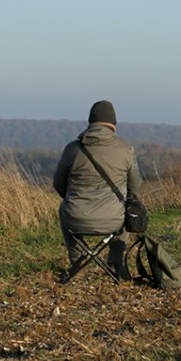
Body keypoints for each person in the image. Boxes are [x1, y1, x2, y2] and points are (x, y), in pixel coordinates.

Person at [53, 100, 142, 278]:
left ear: (90, 122)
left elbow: (58, 184)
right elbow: (135, 186)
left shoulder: (72, 149)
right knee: (128, 208)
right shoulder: (125, 149)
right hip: (114, 220)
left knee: (64, 209)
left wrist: (72, 199)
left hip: (76, 218)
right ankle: (115, 260)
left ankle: (78, 259)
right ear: (113, 124)